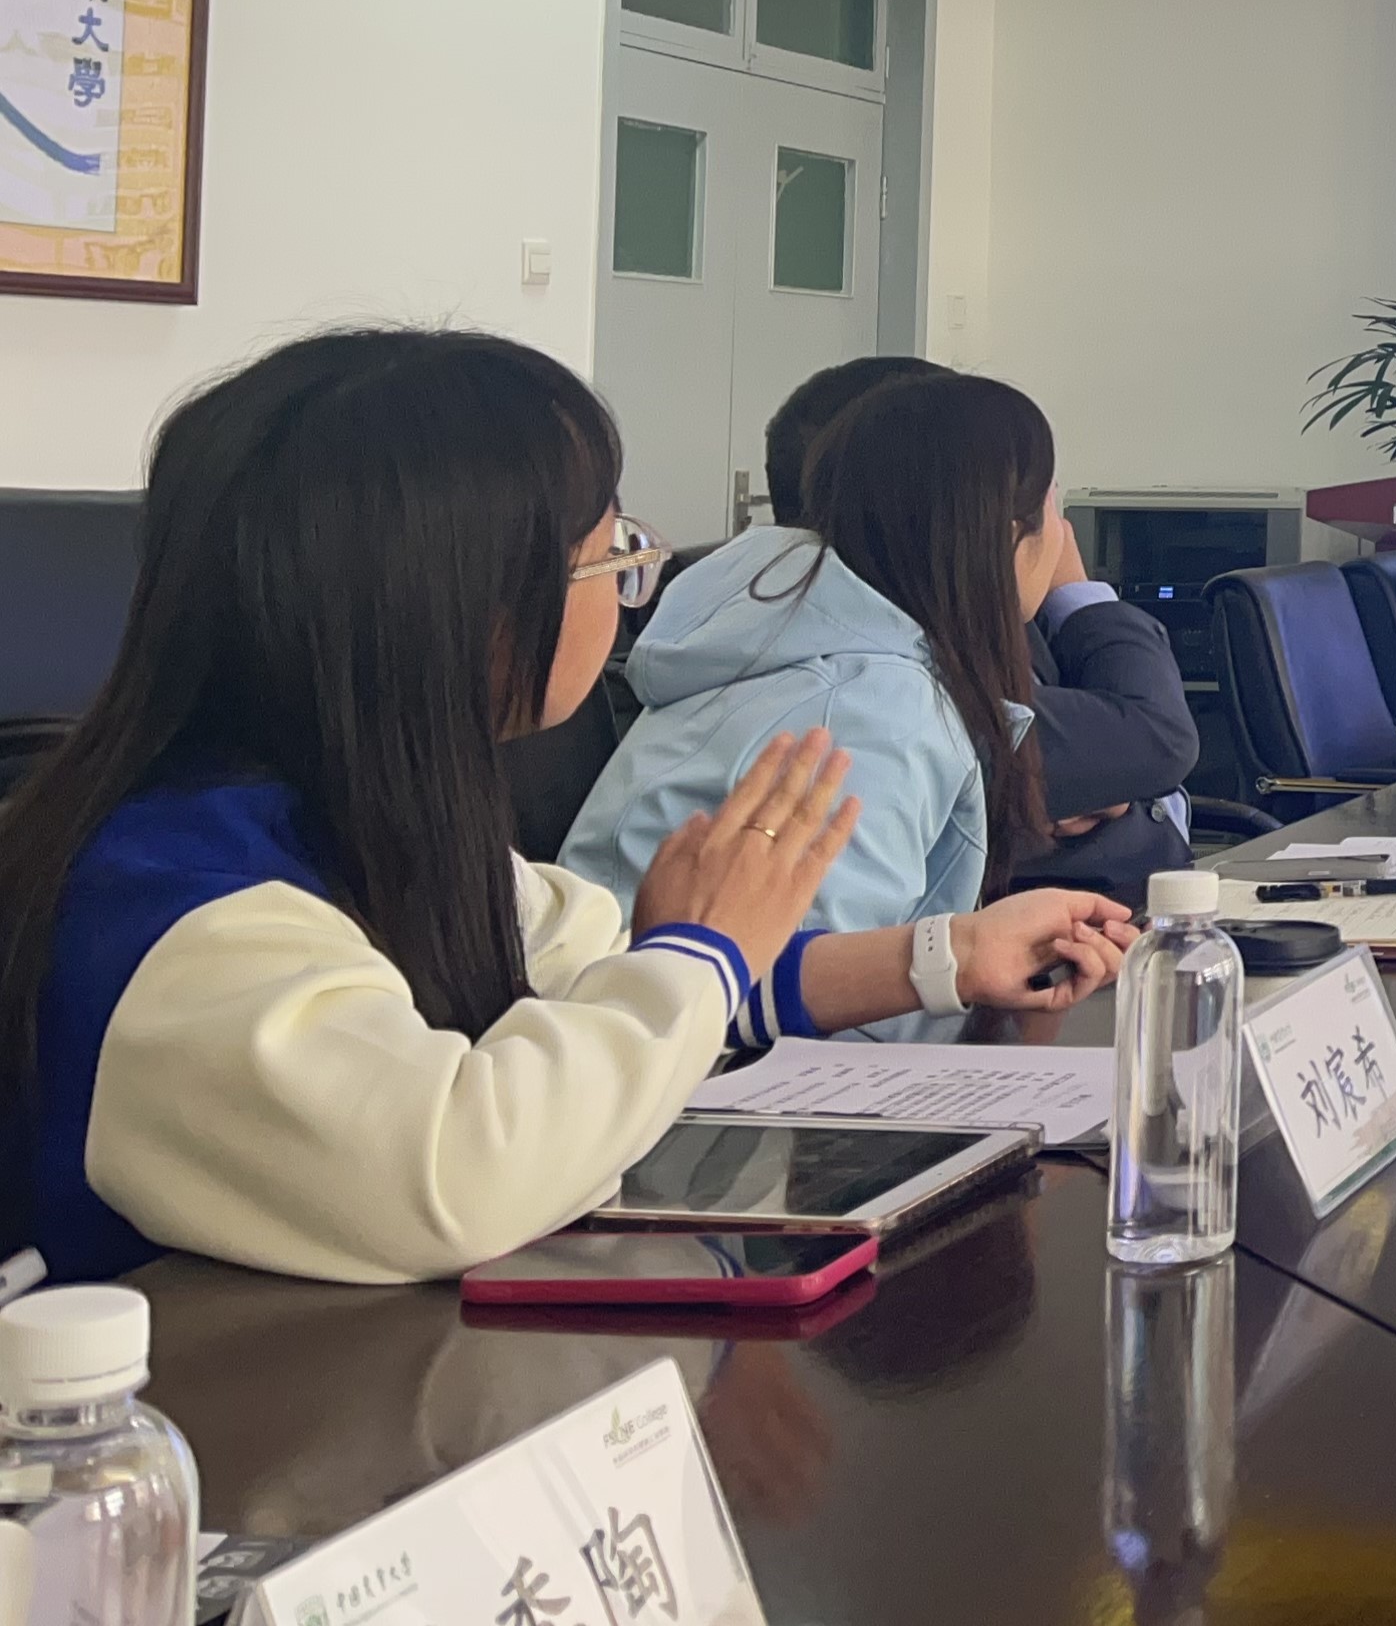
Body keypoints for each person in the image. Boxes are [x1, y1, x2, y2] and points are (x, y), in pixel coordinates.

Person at [0, 330, 1129, 1285]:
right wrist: (697, 952)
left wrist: (944, 958)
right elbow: (458, 1172)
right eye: (611, 557)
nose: (631, 591)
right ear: (473, 610)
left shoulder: (364, 817)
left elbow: (611, 985)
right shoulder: (178, 900)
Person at [570, 373, 1068, 949]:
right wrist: (964, 961)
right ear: (1007, 535)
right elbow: (795, 981)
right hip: (666, 999)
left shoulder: (792, 626)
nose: (1063, 533)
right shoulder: (877, 713)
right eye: (1054, 502)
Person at [758, 357, 1198, 901]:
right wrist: (1073, 586)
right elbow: (1155, 736)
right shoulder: (883, 675)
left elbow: (1129, 754)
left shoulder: (969, 614)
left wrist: (1112, 778)